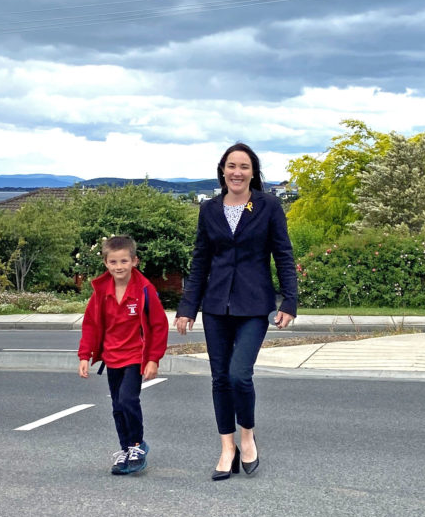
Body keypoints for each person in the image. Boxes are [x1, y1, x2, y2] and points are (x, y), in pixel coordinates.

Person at [175, 142, 297, 480]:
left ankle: (247, 438)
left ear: (253, 172)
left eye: (243, 166)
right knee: (219, 379)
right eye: (231, 166)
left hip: (255, 306)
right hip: (216, 306)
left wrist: (289, 301)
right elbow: (200, 261)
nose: (237, 172)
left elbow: (283, 255)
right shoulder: (209, 209)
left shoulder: (268, 206)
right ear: (223, 170)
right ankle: (227, 447)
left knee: (239, 374)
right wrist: (188, 307)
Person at [78, 235, 169, 475]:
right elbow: (90, 324)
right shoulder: (101, 291)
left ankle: (138, 445)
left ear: (134, 261)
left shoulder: (145, 290)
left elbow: (159, 325)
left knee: (129, 400)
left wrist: (153, 359)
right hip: (112, 356)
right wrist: (85, 355)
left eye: (124, 261)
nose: (119, 267)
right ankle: (125, 449)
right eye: (114, 262)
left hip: (135, 357)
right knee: (117, 405)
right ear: (106, 263)